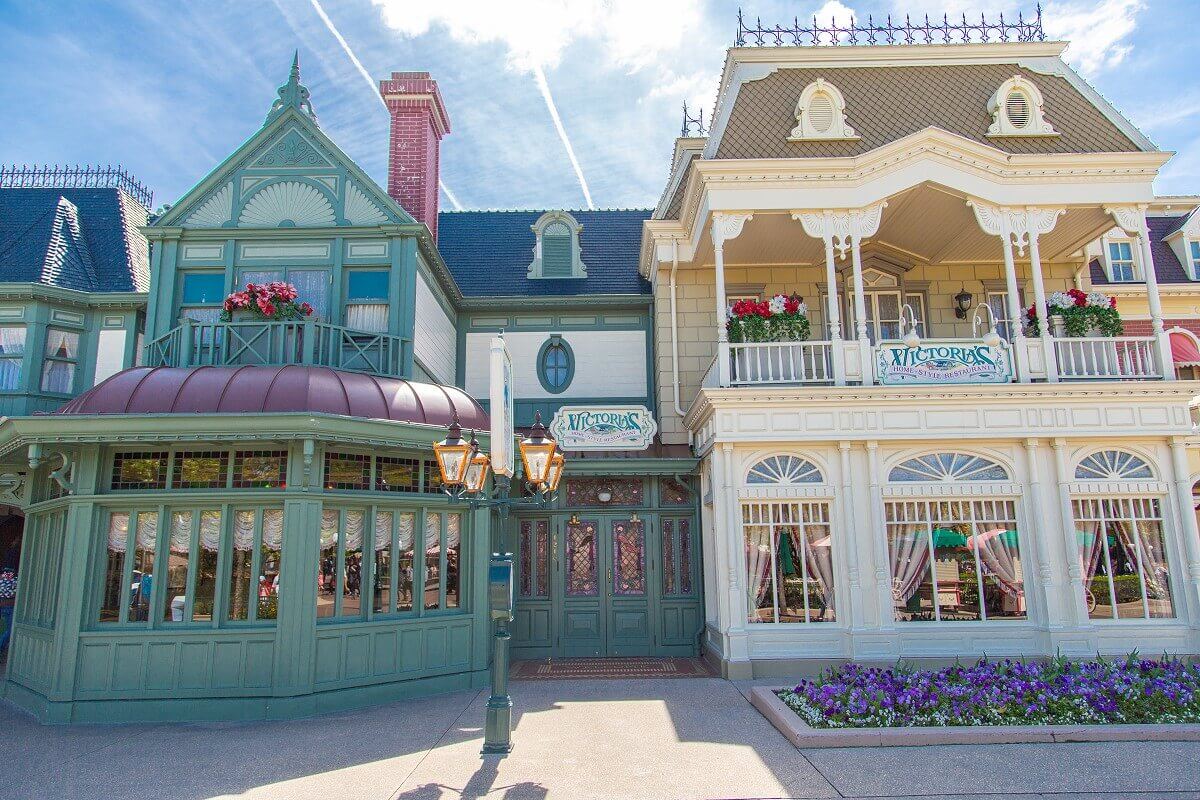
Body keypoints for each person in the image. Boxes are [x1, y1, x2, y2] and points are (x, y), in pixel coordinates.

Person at [0, 567, 17, 652]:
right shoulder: (13, 582)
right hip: (8, 607)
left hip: (8, 608)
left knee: (9, 631)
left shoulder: (14, 581)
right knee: (9, 631)